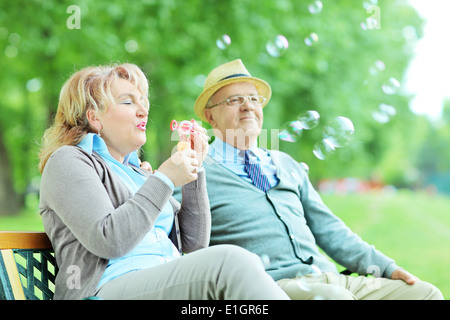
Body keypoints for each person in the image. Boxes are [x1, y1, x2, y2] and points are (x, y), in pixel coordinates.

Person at [189, 59, 443, 300]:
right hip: (268, 287)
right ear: (210, 117)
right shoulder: (196, 170)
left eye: (254, 99)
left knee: (425, 293)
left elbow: (330, 229)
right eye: (235, 100)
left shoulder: (285, 163)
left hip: (326, 276)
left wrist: (385, 267)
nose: (248, 106)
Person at [38, 62, 289, 300]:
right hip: (106, 288)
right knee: (231, 263)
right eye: (128, 102)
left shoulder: (137, 172)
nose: (143, 110)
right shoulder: (68, 161)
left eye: (143, 102)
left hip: (161, 279)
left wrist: (194, 169)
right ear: (94, 117)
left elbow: (194, 243)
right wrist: (165, 177)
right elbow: (108, 240)